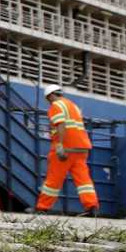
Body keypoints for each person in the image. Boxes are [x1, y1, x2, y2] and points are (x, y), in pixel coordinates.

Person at [36, 83, 98, 214]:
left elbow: (61, 125)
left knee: (53, 179)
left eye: (48, 99)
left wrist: (60, 145)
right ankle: (92, 207)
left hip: (66, 148)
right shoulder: (73, 106)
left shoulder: (56, 105)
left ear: (51, 95)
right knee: (84, 181)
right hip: (81, 148)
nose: (49, 102)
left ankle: (42, 208)